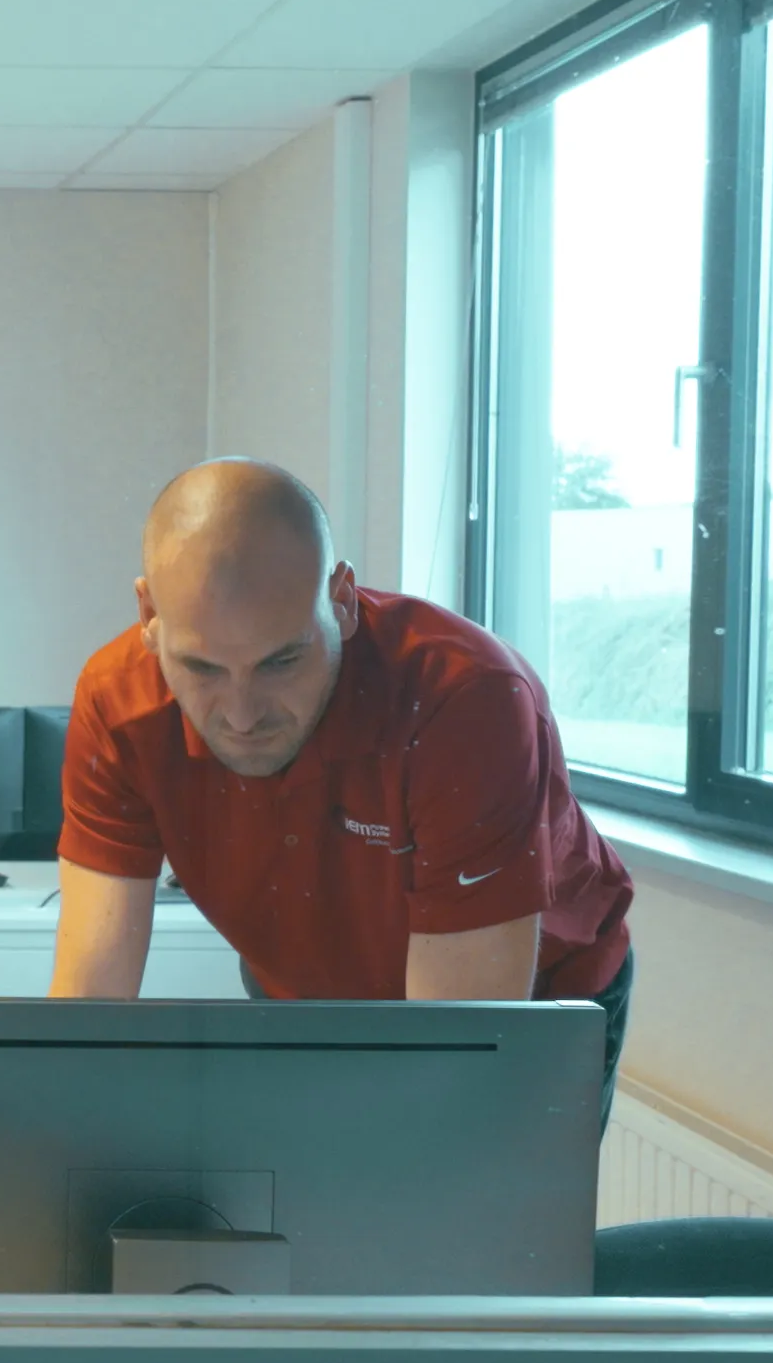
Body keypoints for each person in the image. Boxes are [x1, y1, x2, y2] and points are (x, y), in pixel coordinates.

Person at [47, 459, 635, 1096]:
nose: (243, 716)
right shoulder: (119, 703)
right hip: (301, 985)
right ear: (147, 615)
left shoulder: (465, 703)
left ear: (342, 602)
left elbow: (454, 1055)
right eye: (202, 668)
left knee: (446, 1191)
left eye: (282, 662)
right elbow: (89, 1001)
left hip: (528, 997)